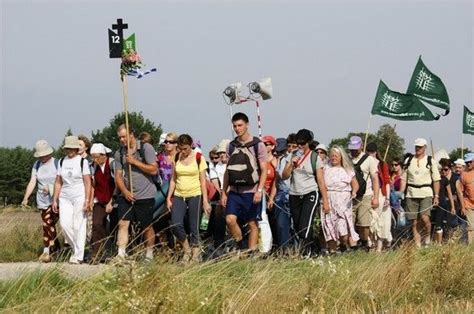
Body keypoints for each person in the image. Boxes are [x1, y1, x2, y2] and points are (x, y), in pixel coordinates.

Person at [221, 112, 268, 253]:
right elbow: (228, 171)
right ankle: (241, 245)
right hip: (235, 191)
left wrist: (259, 190)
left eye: (240, 125)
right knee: (230, 219)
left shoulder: (257, 145)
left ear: (247, 125)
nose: (237, 128)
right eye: (235, 126)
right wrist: (224, 192)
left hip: (252, 190)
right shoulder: (231, 145)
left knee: (252, 223)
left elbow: (264, 170)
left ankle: (251, 253)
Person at [282, 129, 330, 256]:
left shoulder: (315, 158)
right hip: (294, 194)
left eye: (303, 143)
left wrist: (325, 201)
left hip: (310, 192)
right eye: (298, 143)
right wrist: (290, 165)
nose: (300, 146)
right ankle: (314, 249)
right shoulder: (292, 155)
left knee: (305, 225)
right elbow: (284, 176)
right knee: (298, 227)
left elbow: (320, 180)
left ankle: (306, 253)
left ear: (308, 143)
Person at [114, 125, 158, 261]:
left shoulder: (146, 148)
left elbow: (154, 170)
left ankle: (149, 254)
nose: (122, 140)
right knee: (123, 223)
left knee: (146, 226)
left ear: (131, 134)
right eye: (120, 137)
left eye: (124, 136)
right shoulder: (119, 153)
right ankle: (121, 253)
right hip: (126, 194)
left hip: (145, 194)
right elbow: (118, 176)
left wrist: (134, 162)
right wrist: (125, 191)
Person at [166, 134, 212, 263]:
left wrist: (205, 201)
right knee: (176, 224)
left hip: (195, 194)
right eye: (180, 148)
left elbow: (203, 181)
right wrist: (169, 197)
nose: (183, 152)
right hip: (179, 195)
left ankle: (196, 254)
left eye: (185, 148)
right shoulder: (176, 157)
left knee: (194, 226)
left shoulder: (199, 158)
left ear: (190, 145)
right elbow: (173, 179)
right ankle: (186, 249)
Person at [52, 136, 92, 264]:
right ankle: (78, 249)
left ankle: (78, 256)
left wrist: (87, 199)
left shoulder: (82, 161)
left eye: (71, 148)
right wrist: (54, 200)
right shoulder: (62, 161)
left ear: (76, 148)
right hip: (65, 196)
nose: (69, 150)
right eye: (67, 148)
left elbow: (87, 182)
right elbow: (58, 181)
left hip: (79, 194)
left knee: (78, 224)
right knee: (64, 224)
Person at [21, 140, 61, 263]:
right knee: (48, 225)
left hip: (55, 199)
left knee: (48, 223)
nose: (42, 157)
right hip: (42, 200)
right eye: (40, 155)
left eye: (44, 154)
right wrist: (26, 198)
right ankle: (54, 249)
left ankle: (47, 250)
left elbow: (61, 181)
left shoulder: (57, 163)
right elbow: (33, 181)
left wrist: (50, 187)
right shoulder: (36, 165)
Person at [400, 138, 440, 248]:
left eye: (420, 147)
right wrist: (400, 193)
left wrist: (436, 196)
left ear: (425, 147)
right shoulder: (408, 160)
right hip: (411, 193)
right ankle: (418, 245)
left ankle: (427, 237)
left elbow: (436, 179)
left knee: (424, 217)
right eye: (416, 146)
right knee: (414, 221)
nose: (418, 148)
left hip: (426, 192)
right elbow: (404, 179)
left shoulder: (430, 160)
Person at [321, 145, 359, 254]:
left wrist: (354, 191)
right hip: (329, 199)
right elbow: (321, 183)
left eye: (336, 156)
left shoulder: (347, 169)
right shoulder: (325, 168)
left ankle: (343, 244)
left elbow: (355, 184)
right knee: (329, 226)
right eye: (332, 156)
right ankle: (332, 251)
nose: (333, 158)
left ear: (341, 157)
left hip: (343, 201)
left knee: (343, 229)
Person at [348, 136, 379, 251]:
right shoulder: (347, 159)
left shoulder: (369, 160)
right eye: (352, 148)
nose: (353, 150)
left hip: (365, 195)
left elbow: (375, 179)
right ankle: (353, 247)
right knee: (349, 223)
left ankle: (364, 241)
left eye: (356, 148)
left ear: (361, 146)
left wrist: (375, 197)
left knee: (364, 224)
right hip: (350, 195)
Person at [89, 143, 116, 263]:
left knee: (113, 226)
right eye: (92, 157)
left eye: (96, 157)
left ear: (103, 155)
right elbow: (94, 184)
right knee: (97, 224)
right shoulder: (94, 166)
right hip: (99, 199)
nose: (94, 160)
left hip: (114, 199)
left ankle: (111, 252)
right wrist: (91, 200)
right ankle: (96, 253)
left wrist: (111, 202)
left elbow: (117, 184)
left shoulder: (112, 164)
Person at [366, 143, 392, 252]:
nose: (371, 154)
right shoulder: (364, 163)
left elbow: (386, 182)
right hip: (368, 193)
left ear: (376, 152)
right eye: (369, 152)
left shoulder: (382, 164)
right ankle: (371, 244)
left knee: (382, 222)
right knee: (371, 222)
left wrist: (387, 198)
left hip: (381, 193)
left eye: (372, 152)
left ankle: (379, 248)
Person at [273, 134, 297, 252]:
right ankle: (285, 250)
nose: (291, 148)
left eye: (294, 146)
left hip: (296, 194)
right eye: (289, 146)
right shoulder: (282, 160)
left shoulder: (302, 160)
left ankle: (298, 249)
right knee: (282, 225)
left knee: (296, 225)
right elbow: (278, 179)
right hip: (282, 194)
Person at [208, 139, 230, 256]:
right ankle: (219, 244)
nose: (221, 156)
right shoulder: (217, 167)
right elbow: (215, 182)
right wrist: (222, 193)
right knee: (218, 218)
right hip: (221, 195)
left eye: (223, 153)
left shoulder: (233, 164)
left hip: (233, 194)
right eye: (220, 154)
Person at [260, 135, 278, 253]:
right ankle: (263, 247)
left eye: (266, 144)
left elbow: (277, 181)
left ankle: (274, 246)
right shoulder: (260, 160)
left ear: (272, 146)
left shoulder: (275, 161)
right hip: (260, 195)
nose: (264, 146)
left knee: (273, 221)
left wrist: (271, 198)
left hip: (272, 194)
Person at [432, 158, 456, 243]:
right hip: (432, 204)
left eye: (445, 169)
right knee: (432, 224)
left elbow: (449, 193)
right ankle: (433, 241)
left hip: (442, 204)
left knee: (440, 224)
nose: (442, 171)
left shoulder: (444, 179)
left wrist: (453, 207)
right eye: (441, 169)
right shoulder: (432, 178)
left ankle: (439, 243)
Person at [456, 153, 474, 244]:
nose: (468, 164)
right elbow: (460, 192)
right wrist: (463, 207)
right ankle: (471, 247)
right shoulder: (464, 175)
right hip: (469, 204)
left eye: (470, 162)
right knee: (471, 228)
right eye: (467, 162)